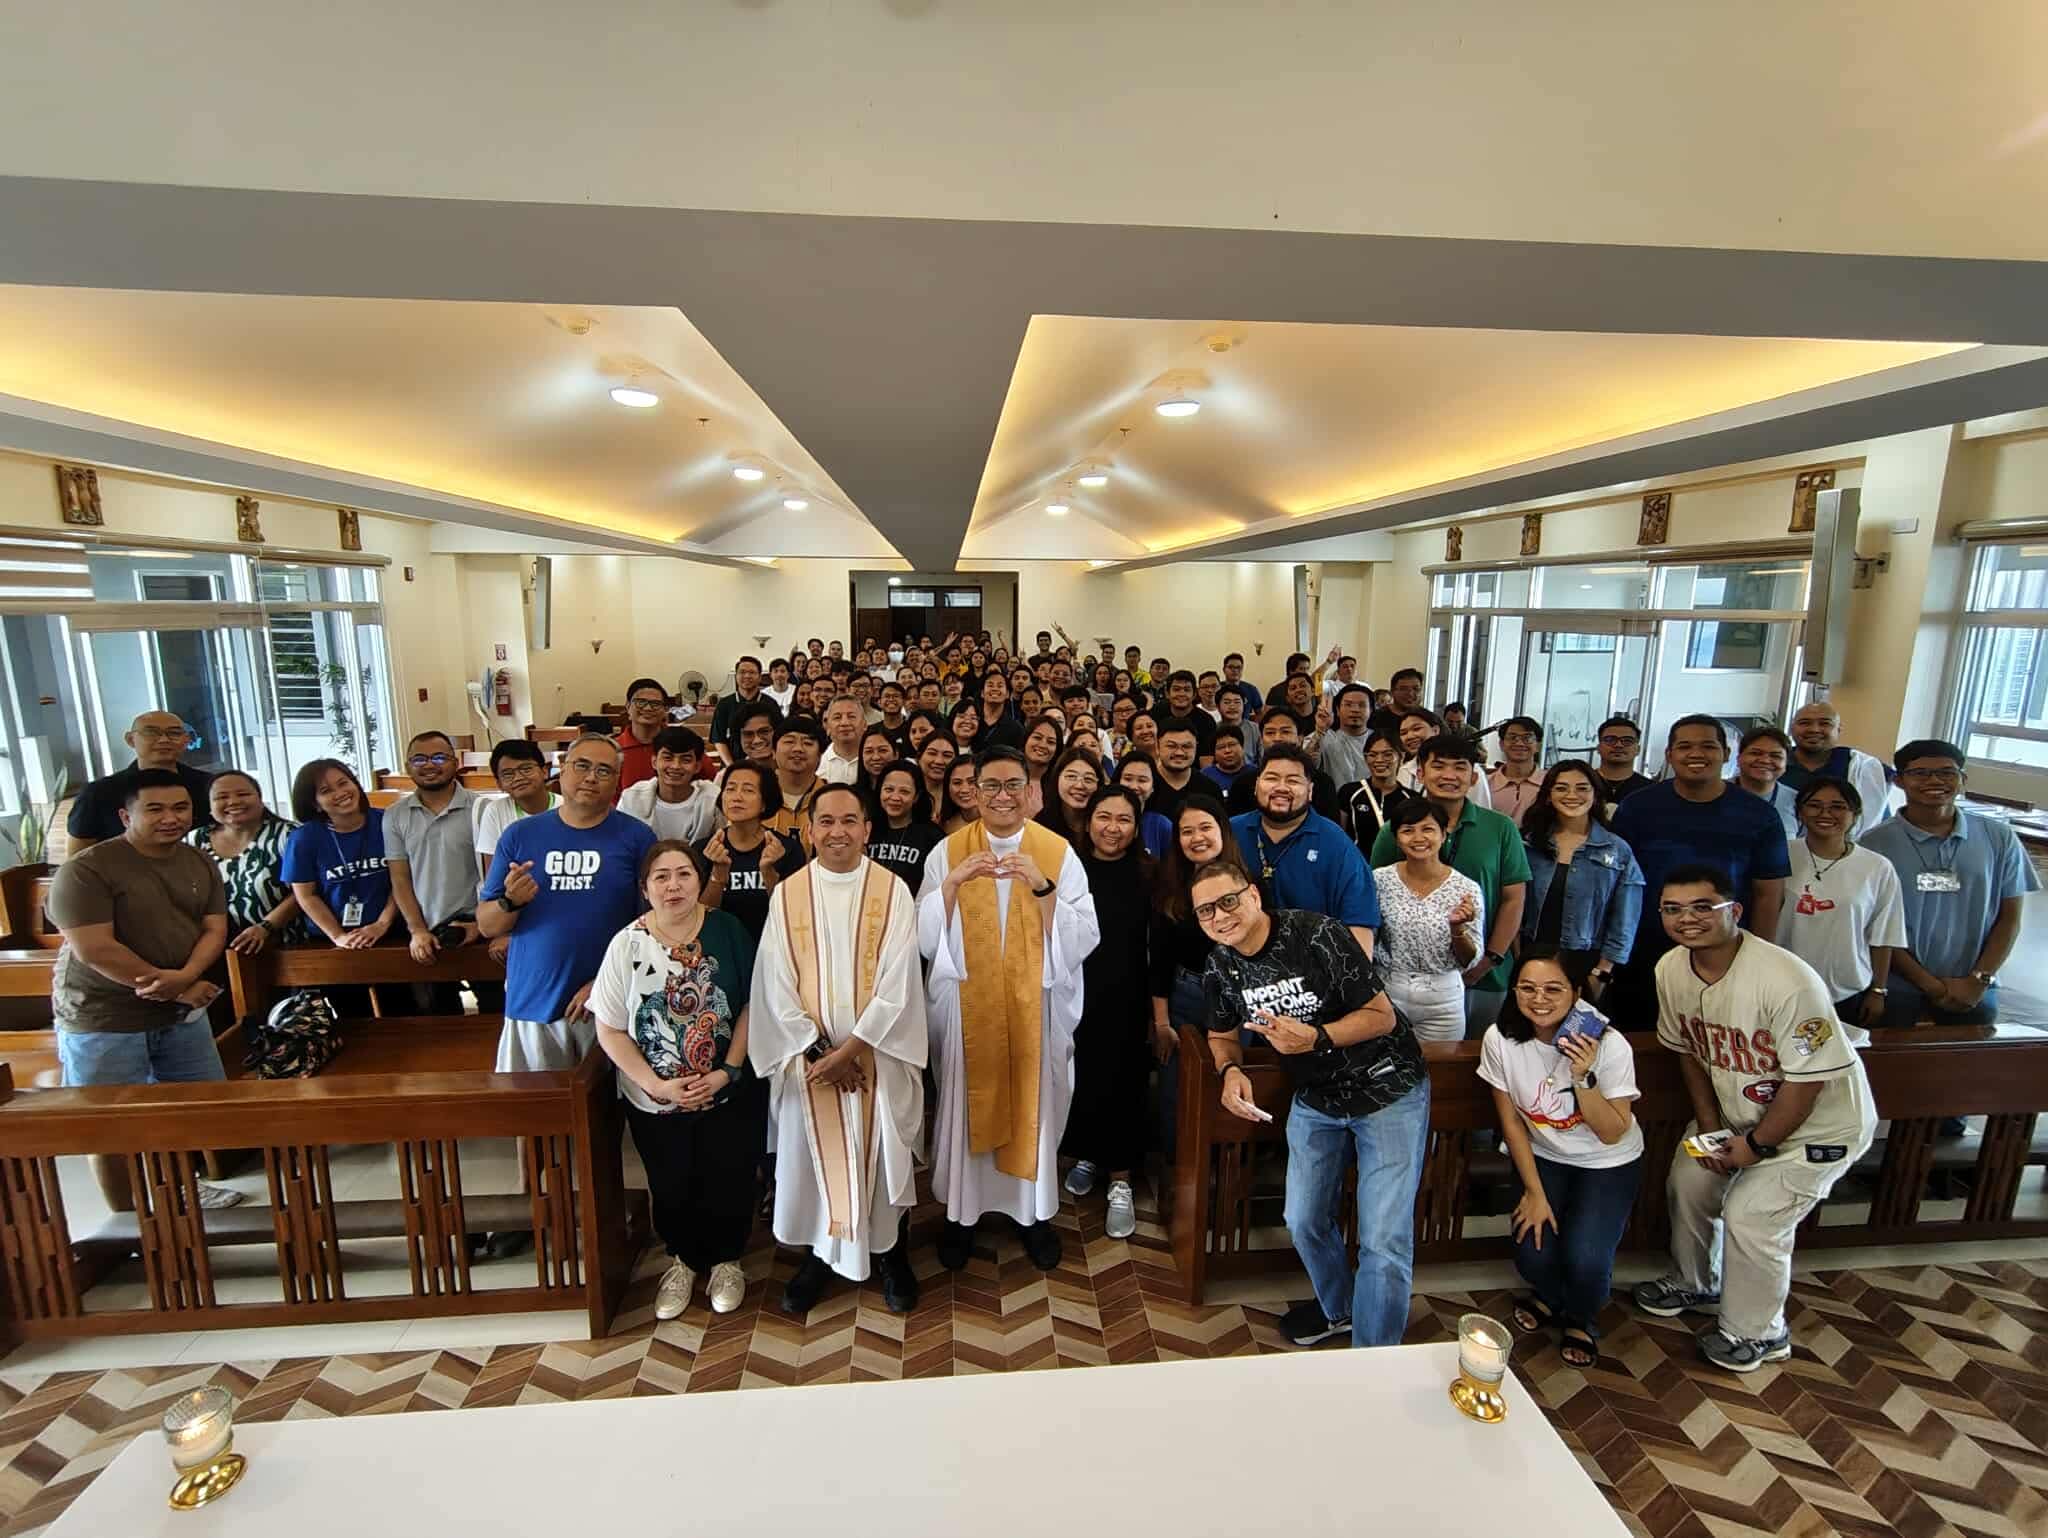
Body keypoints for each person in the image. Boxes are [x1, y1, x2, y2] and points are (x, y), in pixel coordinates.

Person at [1632, 865, 1876, 1372]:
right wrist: (1708, 1125)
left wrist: (1758, 1146)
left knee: (1752, 1216)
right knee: (1689, 1182)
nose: (1687, 919)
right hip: (1736, 1116)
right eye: (1673, 910)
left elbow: (1806, 1081)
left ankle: (1760, 1333)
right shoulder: (1670, 969)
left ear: (1734, 912)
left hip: (1816, 1129)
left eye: (1703, 907)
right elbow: (1688, 1051)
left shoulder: (1786, 978)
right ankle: (1697, 1282)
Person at [1195, 862, 1428, 1348]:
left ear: (1254, 896)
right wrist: (1230, 1071)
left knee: (1383, 1240)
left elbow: (1381, 1018)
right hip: (1317, 1098)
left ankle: (1375, 1358)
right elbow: (1221, 1034)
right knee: (1302, 1219)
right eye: (1205, 912)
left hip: (1387, 1088)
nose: (1219, 917)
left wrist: (1318, 1038)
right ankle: (1342, 1311)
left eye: (1228, 901)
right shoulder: (1221, 964)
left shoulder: (1317, 934)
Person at [918, 745, 1099, 1273]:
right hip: (966, 1005)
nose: (1002, 796)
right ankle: (961, 1216)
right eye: (991, 786)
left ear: (1031, 791)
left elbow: (1086, 933)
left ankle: (1031, 1215)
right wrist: (951, 887)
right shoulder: (948, 853)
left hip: (1035, 1008)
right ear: (972, 791)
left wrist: (1041, 887)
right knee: (963, 1104)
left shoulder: (1058, 852)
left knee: (1032, 1107)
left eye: (1013, 785)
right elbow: (924, 935)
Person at [750, 785, 927, 1314]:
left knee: (881, 1155)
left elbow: (898, 984)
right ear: (809, 830)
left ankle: (890, 1252)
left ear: (868, 829)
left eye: (849, 821)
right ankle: (822, 1256)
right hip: (814, 1063)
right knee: (813, 1158)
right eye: (825, 821)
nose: (837, 832)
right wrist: (818, 1051)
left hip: (878, 1055)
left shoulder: (894, 891)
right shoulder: (788, 893)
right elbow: (774, 980)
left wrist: (852, 1050)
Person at [48, 769, 239, 1211]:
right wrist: (175, 988)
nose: (170, 818)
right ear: (125, 814)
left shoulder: (198, 860)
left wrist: (186, 977)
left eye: (180, 808)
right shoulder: (87, 870)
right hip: (105, 1015)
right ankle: (125, 1217)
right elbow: (94, 948)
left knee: (191, 1110)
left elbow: (215, 928)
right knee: (109, 1124)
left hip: (180, 1010)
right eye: (154, 809)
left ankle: (180, 1189)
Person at [590, 840, 763, 1319]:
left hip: (724, 1088)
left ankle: (727, 1260)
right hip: (655, 1098)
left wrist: (727, 1070)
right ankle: (683, 1261)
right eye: (661, 877)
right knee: (671, 1181)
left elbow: (751, 1003)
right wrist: (657, 1085)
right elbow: (609, 1027)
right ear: (645, 888)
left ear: (699, 879)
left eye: (684, 874)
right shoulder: (625, 944)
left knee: (728, 1174)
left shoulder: (727, 930)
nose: (673, 885)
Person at [1480, 945, 1643, 1369]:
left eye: (1554, 989)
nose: (1539, 999)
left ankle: (1581, 1316)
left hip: (1607, 1162)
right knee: (1533, 1250)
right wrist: (1533, 1192)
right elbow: (1512, 1122)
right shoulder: (1501, 1038)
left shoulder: (1610, 1045)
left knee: (1586, 1258)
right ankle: (1550, 1296)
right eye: (1527, 988)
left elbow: (1610, 1132)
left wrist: (1582, 1075)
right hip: (1544, 1154)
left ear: (1577, 991)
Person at [479, 733, 658, 1078]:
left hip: (607, 1003)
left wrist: (603, 982)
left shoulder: (637, 838)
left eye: (604, 771)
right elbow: (488, 925)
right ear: (561, 770)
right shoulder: (520, 835)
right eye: (582, 766)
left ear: (617, 782)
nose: (591, 777)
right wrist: (509, 901)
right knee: (534, 1117)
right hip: (533, 999)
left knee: (601, 1117)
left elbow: (650, 926)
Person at [1609, 715, 1790, 1022]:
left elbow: (1768, 894)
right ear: (1669, 755)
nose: (1696, 754)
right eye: (1685, 746)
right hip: (1643, 951)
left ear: (1726, 754)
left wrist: (1759, 957)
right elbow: (1616, 884)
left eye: (1708, 746)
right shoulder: (1637, 808)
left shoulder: (1760, 815)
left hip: (1726, 953)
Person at [1859, 739, 2036, 1027]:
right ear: (1900, 781)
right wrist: (1929, 984)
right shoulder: (1873, 843)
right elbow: (1872, 925)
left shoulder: (1999, 837)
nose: (1934, 781)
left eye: (1946, 772)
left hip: (1975, 982)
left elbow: (2010, 919)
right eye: (1920, 773)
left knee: (1972, 1062)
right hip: (1897, 981)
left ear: (1962, 779)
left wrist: (1980, 979)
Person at [1371, 735, 1529, 1032]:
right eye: (1438, 766)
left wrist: (1491, 958)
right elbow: (1374, 898)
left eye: (1459, 767)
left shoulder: (1500, 827)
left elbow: (1514, 898)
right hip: (1402, 979)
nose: (1448, 776)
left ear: (1473, 776)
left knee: (1467, 1062)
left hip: (1487, 973)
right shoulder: (1397, 827)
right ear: (1420, 773)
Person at [1061, 785, 1152, 1241]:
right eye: (1104, 817)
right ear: (1088, 820)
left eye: (1123, 820)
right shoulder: (1069, 869)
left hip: (1130, 995)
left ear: (1136, 828)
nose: (1112, 828)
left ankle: (1121, 1180)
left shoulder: (1150, 875)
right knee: (1084, 1075)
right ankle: (1088, 1155)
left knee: (1124, 1081)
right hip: (1076, 993)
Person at [1777, 776, 1905, 1033]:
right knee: (1788, 1063)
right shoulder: (1780, 854)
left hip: (1846, 992)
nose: (1825, 813)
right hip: (1782, 987)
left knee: (1837, 1067)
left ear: (1855, 814)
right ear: (1800, 812)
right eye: (1814, 805)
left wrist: (1878, 990)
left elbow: (1883, 934)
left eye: (1837, 806)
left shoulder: (1876, 867)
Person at [1233, 745, 1379, 957]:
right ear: (1257, 786)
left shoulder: (1336, 843)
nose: (1281, 787)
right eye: (1272, 778)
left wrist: (1353, 984)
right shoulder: (1230, 833)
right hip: (1242, 968)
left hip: (1314, 971)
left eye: (1293, 781)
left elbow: (1359, 922)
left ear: (1310, 791)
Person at [1518, 761, 1643, 997]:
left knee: (1579, 1033)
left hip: (1587, 964)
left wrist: (1602, 972)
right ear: (1548, 795)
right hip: (1529, 958)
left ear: (1596, 795)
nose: (1572, 795)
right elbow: (1510, 905)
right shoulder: (1527, 843)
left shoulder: (1617, 850)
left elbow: (1625, 921)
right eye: (1561, 788)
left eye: (1582, 788)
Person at [384, 730, 485, 1013]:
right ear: (407, 766)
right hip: (427, 930)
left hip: (477, 925)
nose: (429, 765)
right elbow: (400, 878)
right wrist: (416, 930)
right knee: (437, 1013)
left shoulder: (481, 808)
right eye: (419, 759)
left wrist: (482, 923)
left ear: (455, 762)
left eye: (439, 757)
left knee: (493, 1008)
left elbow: (493, 875)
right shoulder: (395, 814)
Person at [1371, 799, 1484, 1042]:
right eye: (1408, 830)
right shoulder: (1378, 881)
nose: (1418, 838)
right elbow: (1367, 939)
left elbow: (1469, 959)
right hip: (1389, 993)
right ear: (1396, 838)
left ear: (1444, 834)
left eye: (1428, 829)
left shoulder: (1466, 889)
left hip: (1443, 1000)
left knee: (1440, 1073)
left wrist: (1457, 929)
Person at [282, 760, 396, 971]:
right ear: (315, 803)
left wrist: (382, 924)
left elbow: (403, 881)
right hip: (330, 937)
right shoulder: (304, 838)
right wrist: (338, 936)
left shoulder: (388, 822)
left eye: (344, 783)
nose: (340, 793)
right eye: (326, 791)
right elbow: (306, 895)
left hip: (392, 930)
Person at [65, 710, 213, 850]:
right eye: (151, 733)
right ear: (130, 740)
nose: (164, 739)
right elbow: (78, 855)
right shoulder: (98, 793)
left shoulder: (208, 786)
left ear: (186, 740)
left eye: (174, 733)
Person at [190, 769, 299, 952]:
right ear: (209, 806)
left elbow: (306, 890)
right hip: (213, 949)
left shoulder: (288, 835)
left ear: (260, 799)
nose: (233, 802)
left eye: (243, 794)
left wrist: (266, 927)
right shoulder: (194, 840)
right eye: (221, 797)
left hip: (285, 944)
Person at [698, 762, 806, 942]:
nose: (736, 797)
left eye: (748, 790)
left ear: (765, 803)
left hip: (772, 947)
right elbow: (699, 919)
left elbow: (795, 917)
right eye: (730, 789)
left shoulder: (787, 849)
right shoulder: (704, 849)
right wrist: (717, 875)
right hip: (720, 949)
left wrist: (769, 873)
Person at [1782, 701, 1891, 834]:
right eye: (1805, 723)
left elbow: (1873, 825)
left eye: (1825, 723)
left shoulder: (1860, 768)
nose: (1814, 729)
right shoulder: (1773, 763)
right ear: (1791, 728)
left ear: (1838, 729)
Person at [1225, 710, 1345, 822]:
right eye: (1270, 733)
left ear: (1300, 738)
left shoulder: (1322, 782)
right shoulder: (1243, 783)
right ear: (1261, 739)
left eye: (1285, 732)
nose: (1277, 738)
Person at [618, 725, 722, 845]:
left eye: (686, 760)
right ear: (654, 762)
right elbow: (621, 844)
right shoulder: (632, 798)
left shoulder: (713, 799)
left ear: (697, 767)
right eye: (668, 758)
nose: (676, 766)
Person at [472, 739, 558, 881]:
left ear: (544, 771)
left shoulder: (567, 806)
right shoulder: (495, 811)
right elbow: (493, 877)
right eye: (508, 774)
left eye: (526, 769)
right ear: (499, 784)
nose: (518, 778)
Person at [865, 761, 942, 895]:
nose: (895, 797)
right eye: (888, 789)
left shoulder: (933, 837)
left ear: (916, 797)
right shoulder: (866, 830)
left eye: (904, 792)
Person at [1341, 730, 1416, 855]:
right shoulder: (1350, 792)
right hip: (1358, 868)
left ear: (1401, 757)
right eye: (1372, 755)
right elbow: (1340, 835)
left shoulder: (1412, 799)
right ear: (1365, 758)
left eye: (1387, 754)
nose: (1379, 760)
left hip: (1396, 871)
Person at [1732, 726, 1799, 837]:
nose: (1765, 760)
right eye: (1755, 753)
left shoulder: (1798, 802)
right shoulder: (1713, 794)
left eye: (1775, 756)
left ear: (1786, 764)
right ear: (1738, 759)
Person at [1035, 746, 1104, 845]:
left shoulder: (1105, 826)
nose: (1079, 785)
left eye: (1088, 779)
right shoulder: (1041, 826)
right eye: (1071, 776)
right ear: (1057, 779)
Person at [708, 657, 770, 765]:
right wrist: (731, 766)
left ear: (760, 677)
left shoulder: (770, 704)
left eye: (752, 672)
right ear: (736, 676)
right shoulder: (724, 705)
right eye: (742, 672)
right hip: (731, 764)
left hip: (763, 765)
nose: (747, 676)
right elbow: (718, 739)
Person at [1113, 751, 1175, 858]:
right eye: (1128, 779)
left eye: (1142, 780)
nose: (1134, 786)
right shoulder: (1102, 820)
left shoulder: (1161, 825)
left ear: (1153, 787)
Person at [1488, 717, 1546, 828]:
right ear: (1501, 744)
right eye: (1512, 737)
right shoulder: (1485, 784)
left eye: (1527, 738)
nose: (1519, 743)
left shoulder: (1552, 784)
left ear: (1538, 746)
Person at [1590, 716, 1654, 815]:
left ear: (1638, 749)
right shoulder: (1583, 783)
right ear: (1598, 747)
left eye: (1627, 741)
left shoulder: (1651, 790)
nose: (1618, 745)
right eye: (1610, 740)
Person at [615, 678, 671, 791]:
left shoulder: (681, 742)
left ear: (665, 710)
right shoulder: (613, 749)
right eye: (641, 702)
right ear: (628, 706)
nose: (648, 708)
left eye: (655, 704)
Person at [1317, 685, 1374, 790]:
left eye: (1362, 705)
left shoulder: (1379, 740)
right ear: (1338, 710)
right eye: (1348, 705)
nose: (1355, 710)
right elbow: (1307, 765)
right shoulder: (1325, 738)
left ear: (1370, 710)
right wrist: (1320, 731)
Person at [1149, 722, 1201, 821]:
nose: (1179, 753)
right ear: (1157, 747)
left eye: (1186, 746)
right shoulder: (1145, 786)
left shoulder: (1209, 788)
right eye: (1171, 746)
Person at [1020, 716, 1063, 820]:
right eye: (1037, 738)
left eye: (1051, 742)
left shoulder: (1060, 784)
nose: (1043, 745)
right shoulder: (1005, 775)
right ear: (1026, 739)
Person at [818, 696, 865, 786]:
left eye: (851, 716)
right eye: (837, 717)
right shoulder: (816, 762)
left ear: (865, 724)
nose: (844, 723)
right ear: (827, 727)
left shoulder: (876, 760)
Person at [1367, 667, 1425, 734]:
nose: (1410, 694)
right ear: (1392, 691)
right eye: (1403, 689)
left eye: (1416, 689)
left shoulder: (1428, 718)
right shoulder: (1375, 718)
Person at [940, 757, 981, 834]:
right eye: (957, 783)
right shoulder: (944, 824)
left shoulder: (1001, 821)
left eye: (972, 781)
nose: (964, 790)